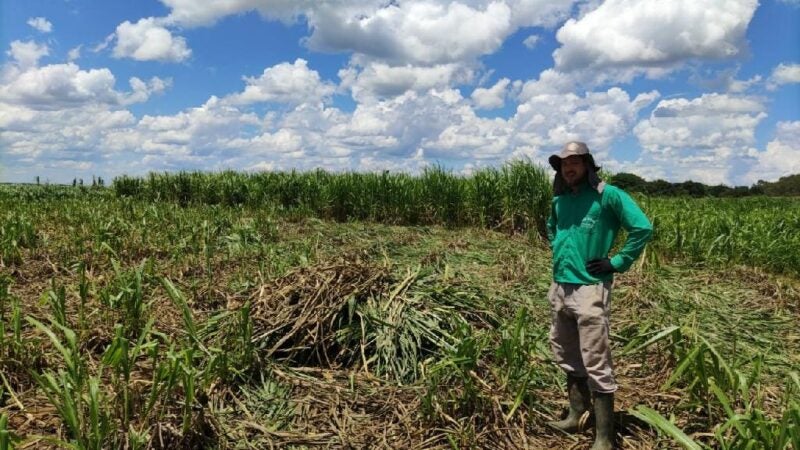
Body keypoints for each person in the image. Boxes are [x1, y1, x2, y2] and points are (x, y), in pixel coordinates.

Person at [545, 141, 652, 450]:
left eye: (575, 162)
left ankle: (604, 438)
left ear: (588, 164)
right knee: (567, 353)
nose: (569, 168)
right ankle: (575, 416)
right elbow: (553, 228)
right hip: (560, 286)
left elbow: (642, 228)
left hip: (591, 288)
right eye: (564, 164)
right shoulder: (561, 201)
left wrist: (616, 262)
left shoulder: (608, 196)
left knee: (596, 359)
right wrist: (558, 247)